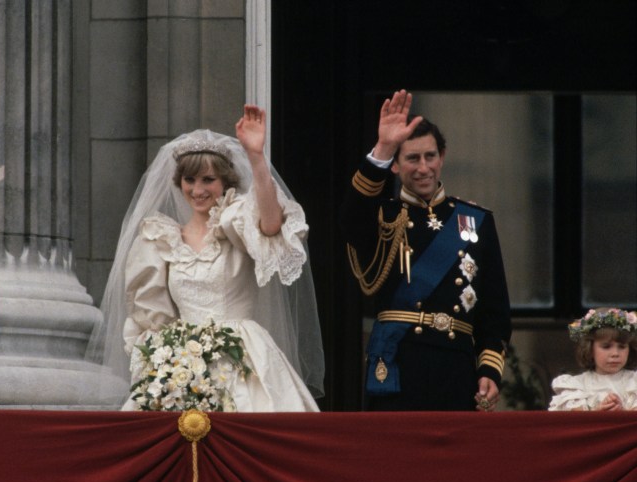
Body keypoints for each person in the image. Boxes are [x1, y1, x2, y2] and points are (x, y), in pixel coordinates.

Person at [87, 105, 324, 411]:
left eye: (208, 180)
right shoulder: (161, 241)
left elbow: (271, 225)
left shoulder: (236, 224)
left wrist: (256, 157)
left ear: (225, 183)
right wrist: (160, 363)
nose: (197, 190)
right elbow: (151, 318)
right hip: (181, 361)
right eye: (189, 180)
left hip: (243, 356)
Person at [340, 89, 511, 411]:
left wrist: (489, 368)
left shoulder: (475, 221)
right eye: (412, 158)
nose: (423, 168)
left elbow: (494, 311)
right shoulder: (382, 215)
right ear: (394, 165)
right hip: (399, 362)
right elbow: (351, 217)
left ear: (442, 157)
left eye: (430, 156)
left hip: (456, 367)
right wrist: (383, 148)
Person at [548, 308, 637, 411]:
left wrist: (622, 413)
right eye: (606, 347)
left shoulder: (634, 382)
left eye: (622, 347)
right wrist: (597, 413)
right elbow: (572, 422)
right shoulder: (576, 386)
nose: (615, 354)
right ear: (590, 349)